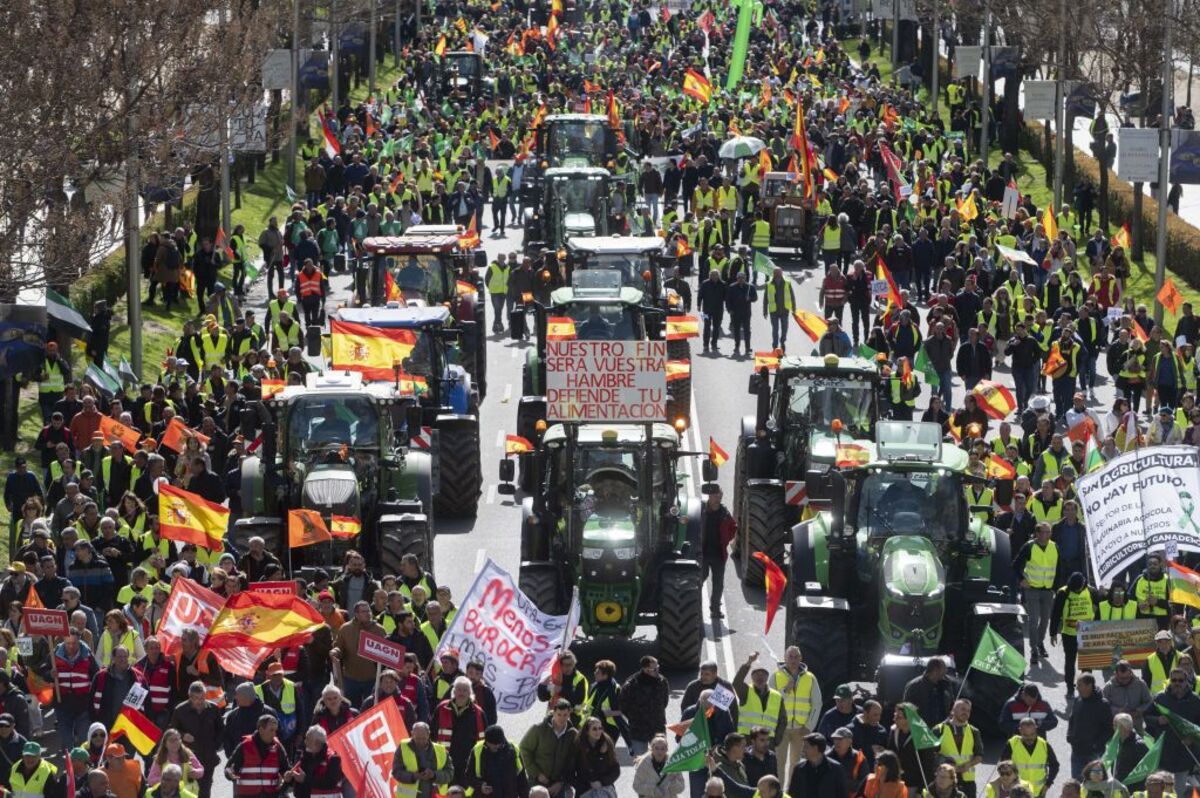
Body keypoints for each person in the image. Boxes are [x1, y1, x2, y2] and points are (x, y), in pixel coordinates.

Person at [773, 646, 821, 777]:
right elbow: (771, 701)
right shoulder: (775, 676)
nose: (793, 660)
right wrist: (785, 690)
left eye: (796, 657)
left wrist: (809, 726)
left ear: (801, 659)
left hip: (801, 729)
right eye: (790, 657)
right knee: (779, 763)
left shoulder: (810, 678)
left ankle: (791, 793)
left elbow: (817, 704)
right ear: (785, 658)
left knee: (796, 765)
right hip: (781, 728)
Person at [169, 682, 223, 798]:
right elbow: (172, 730)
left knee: (205, 789)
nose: (200, 701)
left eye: (203, 697)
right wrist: (183, 735)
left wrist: (216, 744)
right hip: (188, 758)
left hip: (208, 757)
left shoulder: (213, 709)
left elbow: (221, 729)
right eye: (197, 698)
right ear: (190, 697)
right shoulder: (180, 710)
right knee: (189, 790)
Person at [1014, 524, 1058, 663]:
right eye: (1043, 532)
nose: (1046, 534)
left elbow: (1059, 568)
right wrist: (1021, 580)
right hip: (1032, 588)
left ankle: (1040, 643)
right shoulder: (1029, 546)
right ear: (1037, 533)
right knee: (1033, 620)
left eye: (1048, 532)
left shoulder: (1055, 546)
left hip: (1048, 589)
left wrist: (1056, 587)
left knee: (1045, 620)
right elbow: (1015, 565)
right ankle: (1033, 649)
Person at [520, 699, 580, 798]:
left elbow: (572, 761)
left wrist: (561, 782)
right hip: (537, 782)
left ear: (569, 714)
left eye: (565, 715)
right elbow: (524, 750)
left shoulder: (573, 734)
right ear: (553, 713)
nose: (562, 718)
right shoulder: (538, 729)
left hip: (558, 785)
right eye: (559, 714)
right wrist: (537, 774)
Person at [226, 715, 290, 797]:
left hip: (270, 795)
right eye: (271, 730)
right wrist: (229, 773)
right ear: (261, 730)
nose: (274, 734)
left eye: (275, 730)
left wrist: (287, 775)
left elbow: (286, 768)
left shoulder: (278, 747)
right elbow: (229, 768)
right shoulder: (244, 746)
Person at [620, 655, 670, 756]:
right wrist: (635, 717)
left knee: (660, 760)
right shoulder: (631, 685)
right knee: (640, 762)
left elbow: (664, 701)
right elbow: (623, 705)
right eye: (654, 669)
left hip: (658, 728)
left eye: (658, 668)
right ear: (646, 669)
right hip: (638, 730)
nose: (657, 671)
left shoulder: (662, 681)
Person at [931, 700, 982, 798]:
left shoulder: (974, 731)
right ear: (953, 710)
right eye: (963, 709)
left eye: (968, 711)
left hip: (967, 781)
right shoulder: (939, 729)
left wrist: (969, 764)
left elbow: (979, 756)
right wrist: (946, 764)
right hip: (945, 781)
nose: (966, 713)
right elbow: (930, 754)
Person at [1000, 717, 1060, 797]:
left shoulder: (1044, 745)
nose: (1029, 738)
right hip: (1018, 793)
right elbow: (1003, 767)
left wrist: (1048, 784)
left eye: (1032, 734)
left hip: (1038, 792)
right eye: (1025, 735)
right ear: (1020, 730)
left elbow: (1055, 765)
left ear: (1036, 729)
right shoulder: (1012, 744)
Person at [701, 488, 736, 621]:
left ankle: (715, 610)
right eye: (716, 496)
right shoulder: (701, 511)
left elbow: (733, 527)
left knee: (718, 584)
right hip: (703, 554)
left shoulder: (724, 513)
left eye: (720, 496)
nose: (718, 499)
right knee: (698, 581)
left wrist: (726, 540)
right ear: (709, 496)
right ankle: (695, 607)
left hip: (719, 555)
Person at [392, 722, 453, 798]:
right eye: (417, 739)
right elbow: (396, 772)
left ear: (428, 734)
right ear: (412, 734)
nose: (421, 742)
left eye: (423, 739)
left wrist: (434, 775)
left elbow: (450, 774)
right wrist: (414, 776)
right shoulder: (403, 747)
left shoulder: (441, 750)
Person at [1066, 675, 1111, 778]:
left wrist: (1096, 744)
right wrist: (1069, 735)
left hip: (1094, 753)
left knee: (1094, 784)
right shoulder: (1078, 700)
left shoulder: (1102, 704)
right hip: (1077, 750)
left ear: (1089, 686)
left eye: (1079, 685)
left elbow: (1109, 729)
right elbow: (1072, 719)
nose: (1077, 688)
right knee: (1077, 783)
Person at [466, 725, 529, 798]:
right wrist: (480, 786)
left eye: (498, 745)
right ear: (486, 741)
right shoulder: (477, 750)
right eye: (492, 744)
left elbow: (522, 779)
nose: (495, 747)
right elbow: (469, 776)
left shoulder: (513, 750)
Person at [786, 732, 847, 798]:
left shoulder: (836, 769)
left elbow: (842, 794)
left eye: (806, 747)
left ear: (815, 748)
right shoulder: (799, 769)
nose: (803, 750)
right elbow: (792, 794)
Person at [574, 717, 620, 798]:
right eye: (594, 729)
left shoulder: (607, 743)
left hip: (604, 789)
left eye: (600, 728)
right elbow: (571, 770)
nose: (598, 731)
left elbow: (616, 770)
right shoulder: (579, 746)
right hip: (584, 790)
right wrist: (584, 785)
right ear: (587, 731)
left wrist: (602, 782)